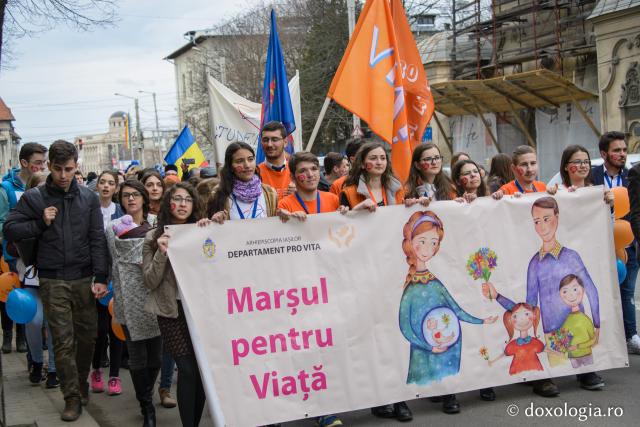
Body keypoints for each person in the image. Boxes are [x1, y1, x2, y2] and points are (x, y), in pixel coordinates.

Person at [4, 140, 109, 421]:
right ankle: (71, 396)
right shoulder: (35, 198)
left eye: (69, 169)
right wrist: (40, 222)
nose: (63, 175)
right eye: (58, 169)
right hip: (52, 279)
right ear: (49, 166)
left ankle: (82, 382)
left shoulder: (88, 198)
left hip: (84, 276)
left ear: (77, 167)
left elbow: (97, 238)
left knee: (87, 337)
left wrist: (101, 276)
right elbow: (10, 228)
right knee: (62, 341)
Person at [482, 197, 604, 396]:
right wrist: (497, 296)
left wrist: (597, 324)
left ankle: (586, 373)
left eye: (547, 219)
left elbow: (591, 289)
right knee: (554, 361)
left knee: (583, 358)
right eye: (537, 221)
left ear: (557, 217)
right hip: (553, 333)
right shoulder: (535, 263)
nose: (542, 226)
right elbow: (529, 307)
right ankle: (543, 379)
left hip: (580, 325)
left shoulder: (571, 256)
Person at [400, 211, 497, 416]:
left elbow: (456, 309)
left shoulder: (436, 282)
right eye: (422, 241)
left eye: (434, 243)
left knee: (448, 376)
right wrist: (427, 345)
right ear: (410, 242)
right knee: (424, 378)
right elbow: (405, 326)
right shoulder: (410, 289)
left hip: (449, 345)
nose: (428, 248)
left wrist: (481, 321)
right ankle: (416, 397)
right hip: (425, 349)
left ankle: (449, 394)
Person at [144, 183, 206, 427]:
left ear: (194, 204)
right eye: (177, 199)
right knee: (187, 370)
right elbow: (149, 280)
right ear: (168, 203)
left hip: (200, 311)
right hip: (171, 312)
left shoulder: (202, 231)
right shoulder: (153, 236)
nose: (182, 204)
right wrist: (161, 252)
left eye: (187, 199)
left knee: (200, 373)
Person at [108, 180, 162, 427]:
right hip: (128, 296)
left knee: (156, 359)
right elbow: (108, 261)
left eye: (135, 195)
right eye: (126, 195)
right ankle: (147, 407)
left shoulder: (157, 225)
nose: (130, 199)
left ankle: (146, 392)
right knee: (138, 359)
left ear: (143, 198)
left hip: (155, 295)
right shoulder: (112, 229)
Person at [591, 131, 640, 354]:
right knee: (599, 292)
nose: (622, 154)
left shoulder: (633, 176)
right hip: (598, 245)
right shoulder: (591, 177)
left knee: (626, 291)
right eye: (616, 150)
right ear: (604, 154)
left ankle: (631, 337)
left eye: (624, 150)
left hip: (628, 245)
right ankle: (603, 339)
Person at [0, 142, 47, 354]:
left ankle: (24, 339)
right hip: (14, 254)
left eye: (44, 163)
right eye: (38, 163)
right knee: (13, 295)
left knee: (32, 301)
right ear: (24, 163)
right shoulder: (7, 189)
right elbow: (3, 223)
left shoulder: (46, 186)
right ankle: (9, 334)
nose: (42, 167)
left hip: (39, 255)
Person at [18, 172, 58, 388]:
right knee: (34, 320)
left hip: (56, 275)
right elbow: (12, 236)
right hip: (31, 276)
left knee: (54, 322)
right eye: (40, 187)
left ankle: (53, 369)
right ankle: (35, 360)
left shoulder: (60, 210)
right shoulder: (24, 212)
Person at [91, 171, 124, 396]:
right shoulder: (88, 211)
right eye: (102, 182)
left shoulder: (121, 212)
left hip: (117, 276)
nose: (106, 186)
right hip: (94, 275)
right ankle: (96, 371)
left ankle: (114, 376)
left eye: (110, 183)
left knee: (116, 327)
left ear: (115, 188)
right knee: (99, 329)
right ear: (97, 186)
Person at [208, 142, 278, 222]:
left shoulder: (270, 193)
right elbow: (209, 230)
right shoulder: (217, 194)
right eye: (239, 161)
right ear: (230, 166)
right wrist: (213, 221)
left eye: (250, 159)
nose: (247, 165)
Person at [339, 142, 404, 210]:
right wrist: (356, 210)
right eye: (373, 158)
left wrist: (410, 205)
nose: (379, 162)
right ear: (362, 164)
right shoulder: (349, 193)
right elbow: (345, 220)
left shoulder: (398, 189)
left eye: (383, 158)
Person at [487, 303, 545, 375]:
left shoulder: (536, 342)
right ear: (510, 320)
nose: (522, 319)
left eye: (526, 314)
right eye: (515, 316)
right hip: (516, 373)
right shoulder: (512, 345)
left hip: (537, 373)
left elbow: (545, 350)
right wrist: (492, 361)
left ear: (534, 316)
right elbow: (504, 354)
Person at [558, 275, 598, 369]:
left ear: (583, 290)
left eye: (575, 289)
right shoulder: (567, 321)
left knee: (588, 370)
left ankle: (588, 376)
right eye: (565, 291)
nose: (570, 295)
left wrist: (578, 346)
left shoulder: (585, 319)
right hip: (572, 357)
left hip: (586, 355)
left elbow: (593, 339)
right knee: (575, 369)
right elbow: (563, 340)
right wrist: (562, 346)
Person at [257, 121, 295, 198]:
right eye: (265, 140)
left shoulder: (297, 170)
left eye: (274, 139)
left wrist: (301, 194)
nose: (269, 144)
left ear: (285, 142)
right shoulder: (255, 173)